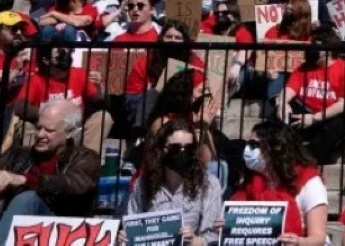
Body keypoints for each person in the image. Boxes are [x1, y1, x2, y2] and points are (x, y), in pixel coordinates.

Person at [0, 100, 99, 236]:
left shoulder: (85, 157)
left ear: (69, 132)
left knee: (29, 198)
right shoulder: (19, 155)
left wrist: (26, 180)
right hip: (17, 222)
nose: (40, 135)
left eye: (49, 130)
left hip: (61, 225)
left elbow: (74, 183)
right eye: (38, 128)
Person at [122, 119, 222, 246]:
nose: (182, 152)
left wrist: (195, 241)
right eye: (176, 148)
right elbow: (132, 224)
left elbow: (212, 236)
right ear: (162, 149)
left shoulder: (208, 184)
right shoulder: (143, 184)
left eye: (189, 148)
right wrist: (125, 237)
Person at [230, 121, 328, 246]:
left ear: (275, 148)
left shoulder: (310, 183)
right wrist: (228, 225)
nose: (248, 150)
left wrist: (299, 242)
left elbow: (318, 237)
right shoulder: (252, 182)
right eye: (248, 144)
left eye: (254, 145)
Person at [280, 27, 345, 164]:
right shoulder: (305, 67)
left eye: (315, 45)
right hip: (303, 115)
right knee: (282, 112)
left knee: (341, 123)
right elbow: (289, 89)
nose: (311, 48)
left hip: (327, 118)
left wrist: (314, 118)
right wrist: (282, 103)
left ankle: (308, 157)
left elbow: (343, 103)